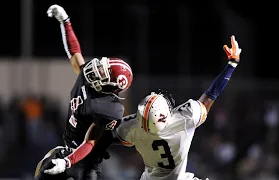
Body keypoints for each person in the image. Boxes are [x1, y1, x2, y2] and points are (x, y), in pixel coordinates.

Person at [116, 35, 241, 180]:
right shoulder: (184, 118)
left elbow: (113, 137)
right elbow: (210, 95)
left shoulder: (132, 126)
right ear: (165, 116)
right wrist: (232, 64)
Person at [34, 4, 133, 180]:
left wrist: (67, 162)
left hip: (85, 162)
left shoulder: (110, 109)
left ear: (112, 86)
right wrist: (65, 22)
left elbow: (90, 142)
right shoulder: (89, 77)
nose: (97, 69)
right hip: (65, 149)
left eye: (104, 72)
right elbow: (75, 53)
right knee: (41, 172)